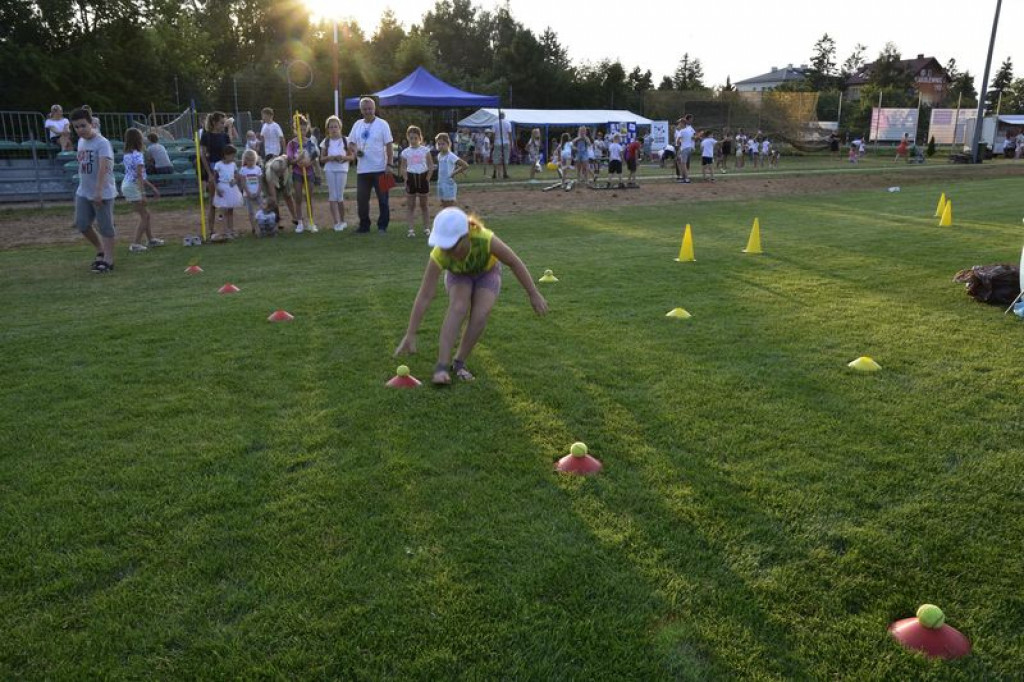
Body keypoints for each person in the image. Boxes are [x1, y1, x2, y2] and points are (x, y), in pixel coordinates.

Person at [394, 207, 548, 385]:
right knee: (459, 306)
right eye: (444, 247)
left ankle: (459, 362)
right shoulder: (439, 254)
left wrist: (533, 293)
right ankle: (441, 367)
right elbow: (425, 294)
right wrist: (410, 333)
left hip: (487, 273)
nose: (448, 252)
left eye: (452, 247)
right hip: (458, 276)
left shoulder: (485, 239)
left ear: (466, 236)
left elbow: (513, 262)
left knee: (480, 313)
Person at [70, 107, 118, 273]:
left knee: (105, 226)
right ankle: (100, 250)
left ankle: (108, 260)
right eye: (76, 127)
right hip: (83, 191)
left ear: (91, 123)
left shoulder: (102, 143)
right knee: (82, 224)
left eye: (83, 125)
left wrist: (98, 191)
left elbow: (104, 168)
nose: (80, 129)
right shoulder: (81, 142)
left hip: (102, 191)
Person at [348, 97, 394, 234]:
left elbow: (389, 145)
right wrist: (356, 151)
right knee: (362, 200)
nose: (368, 111)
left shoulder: (383, 124)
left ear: (374, 109)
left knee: (383, 199)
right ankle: (364, 226)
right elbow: (351, 143)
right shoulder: (357, 124)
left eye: (370, 109)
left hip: (381, 169)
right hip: (362, 170)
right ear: (361, 110)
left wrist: (390, 164)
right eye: (365, 109)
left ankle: (382, 226)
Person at [121, 128, 163, 252]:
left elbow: (139, 175)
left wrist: (152, 187)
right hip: (133, 186)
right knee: (145, 215)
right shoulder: (138, 155)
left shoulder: (127, 155)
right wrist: (143, 193)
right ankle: (136, 243)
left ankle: (150, 239)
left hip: (128, 184)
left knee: (145, 214)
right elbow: (139, 175)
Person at [199, 111, 230, 239]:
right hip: (212, 168)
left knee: (226, 201)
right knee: (213, 202)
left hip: (225, 170)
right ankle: (211, 230)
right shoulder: (206, 136)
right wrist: (210, 174)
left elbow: (230, 152)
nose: (223, 125)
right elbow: (203, 155)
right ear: (214, 122)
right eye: (221, 123)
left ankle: (226, 229)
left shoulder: (225, 136)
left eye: (224, 123)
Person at [400, 125, 434, 238]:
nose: (413, 140)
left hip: (423, 178)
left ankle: (427, 228)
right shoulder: (405, 152)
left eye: (415, 138)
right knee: (411, 205)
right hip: (411, 178)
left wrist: (427, 179)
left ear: (420, 138)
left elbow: (431, 165)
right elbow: (403, 167)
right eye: (411, 138)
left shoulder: (425, 150)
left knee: (424, 205)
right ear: (408, 138)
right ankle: (411, 230)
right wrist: (406, 179)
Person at [286, 114, 319, 233]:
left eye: (305, 130)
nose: (303, 132)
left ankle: (311, 222)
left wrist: (308, 162)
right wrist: (298, 160)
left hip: (309, 173)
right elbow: (290, 160)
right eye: (300, 130)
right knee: (298, 197)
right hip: (297, 173)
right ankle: (300, 223)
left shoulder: (310, 142)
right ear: (296, 129)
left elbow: (314, 157)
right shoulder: (291, 144)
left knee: (309, 197)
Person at [320, 114, 351, 233]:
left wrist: (342, 157)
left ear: (340, 127)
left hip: (342, 169)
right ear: (328, 129)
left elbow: (352, 156)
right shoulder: (326, 141)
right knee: (332, 196)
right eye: (331, 127)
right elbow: (322, 158)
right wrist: (330, 157)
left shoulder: (346, 140)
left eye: (335, 126)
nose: (333, 129)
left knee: (339, 196)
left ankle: (342, 221)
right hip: (329, 169)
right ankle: (336, 222)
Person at [212, 144, 243, 240]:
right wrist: (217, 188)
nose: (233, 158)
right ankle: (224, 230)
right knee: (223, 210)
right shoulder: (218, 164)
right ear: (226, 155)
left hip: (231, 188)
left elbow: (237, 175)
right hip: (222, 187)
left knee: (230, 210)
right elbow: (214, 178)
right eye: (232, 155)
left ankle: (231, 230)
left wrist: (235, 181)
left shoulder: (233, 164)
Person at [262, 155, 299, 228]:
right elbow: (274, 198)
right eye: (279, 172)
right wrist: (275, 201)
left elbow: (289, 158)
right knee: (273, 201)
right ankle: (277, 221)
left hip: (285, 177)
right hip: (271, 178)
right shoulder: (269, 174)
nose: (280, 173)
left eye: (281, 171)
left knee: (288, 195)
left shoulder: (284, 161)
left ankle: (295, 217)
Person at [434, 132, 468, 208]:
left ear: (448, 144)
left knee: (449, 206)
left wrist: (453, 173)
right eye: (439, 144)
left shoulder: (451, 156)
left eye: (443, 144)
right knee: (443, 205)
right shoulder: (439, 155)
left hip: (448, 184)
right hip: (440, 183)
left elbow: (465, 165)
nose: (440, 146)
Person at [239, 149, 263, 235]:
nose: (251, 162)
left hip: (258, 193)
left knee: (261, 209)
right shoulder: (243, 170)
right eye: (249, 160)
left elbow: (260, 182)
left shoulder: (258, 169)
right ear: (245, 160)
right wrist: (248, 193)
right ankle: (253, 227)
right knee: (251, 211)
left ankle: (261, 226)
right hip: (247, 194)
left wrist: (258, 192)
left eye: (252, 160)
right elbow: (243, 183)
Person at [490, 112, 513, 179]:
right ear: (504, 116)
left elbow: (493, 134)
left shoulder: (495, 123)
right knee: (506, 158)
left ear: (499, 116)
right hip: (506, 142)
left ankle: (494, 173)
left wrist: (493, 142)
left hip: (497, 142)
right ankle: (505, 173)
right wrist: (511, 143)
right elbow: (509, 134)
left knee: (496, 158)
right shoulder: (508, 123)